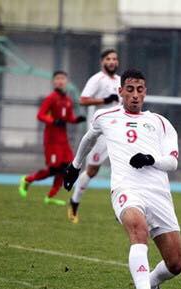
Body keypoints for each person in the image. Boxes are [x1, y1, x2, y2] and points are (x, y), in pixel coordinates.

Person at [63, 69, 181, 289]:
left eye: (140, 90)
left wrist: (150, 159)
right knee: (139, 231)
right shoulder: (105, 117)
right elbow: (88, 138)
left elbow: (172, 162)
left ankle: (150, 282)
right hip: (126, 189)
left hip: (158, 194)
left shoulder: (161, 123)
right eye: (130, 89)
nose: (135, 95)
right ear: (121, 92)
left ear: (145, 92)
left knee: (176, 263)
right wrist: (75, 166)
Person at [67, 48, 120, 223]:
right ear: (102, 62)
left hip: (118, 131)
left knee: (122, 169)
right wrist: (104, 100)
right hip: (101, 132)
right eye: (108, 59)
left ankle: (122, 208)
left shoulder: (120, 81)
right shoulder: (97, 79)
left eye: (114, 59)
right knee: (92, 171)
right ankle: (74, 202)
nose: (112, 61)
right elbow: (83, 99)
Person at [18, 70, 85, 205]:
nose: (60, 81)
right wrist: (53, 121)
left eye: (63, 78)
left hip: (63, 140)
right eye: (58, 78)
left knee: (66, 167)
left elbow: (69, 118)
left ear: (67, 82)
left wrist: (76, 120)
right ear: (53, 81)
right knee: (54, 169)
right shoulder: (51, 98)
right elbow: (40, 115)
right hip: (52, 139)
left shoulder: (67, 100)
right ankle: (27, 180)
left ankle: (50, 196)